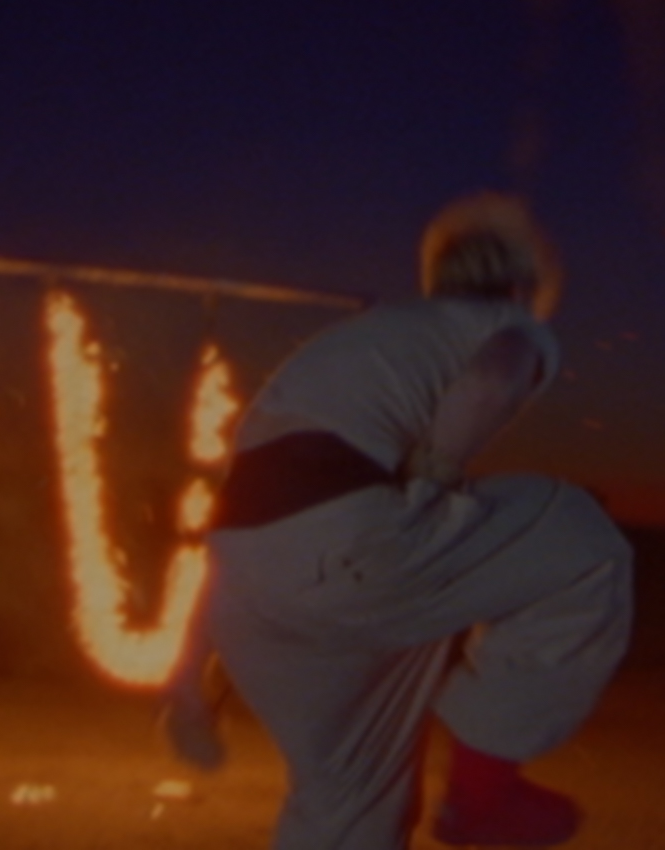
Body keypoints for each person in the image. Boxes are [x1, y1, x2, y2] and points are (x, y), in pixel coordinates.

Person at [163, 193, 633, 849]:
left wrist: (188, 681)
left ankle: (467, 793)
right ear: (523, 283)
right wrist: (433, 479)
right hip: (353, 547)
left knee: (348, 799)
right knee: (580, 542)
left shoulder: (363, 343)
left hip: (249, 600)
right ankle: (483, 793)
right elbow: (494, 380)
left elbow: (243, 536)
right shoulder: (507, 325)